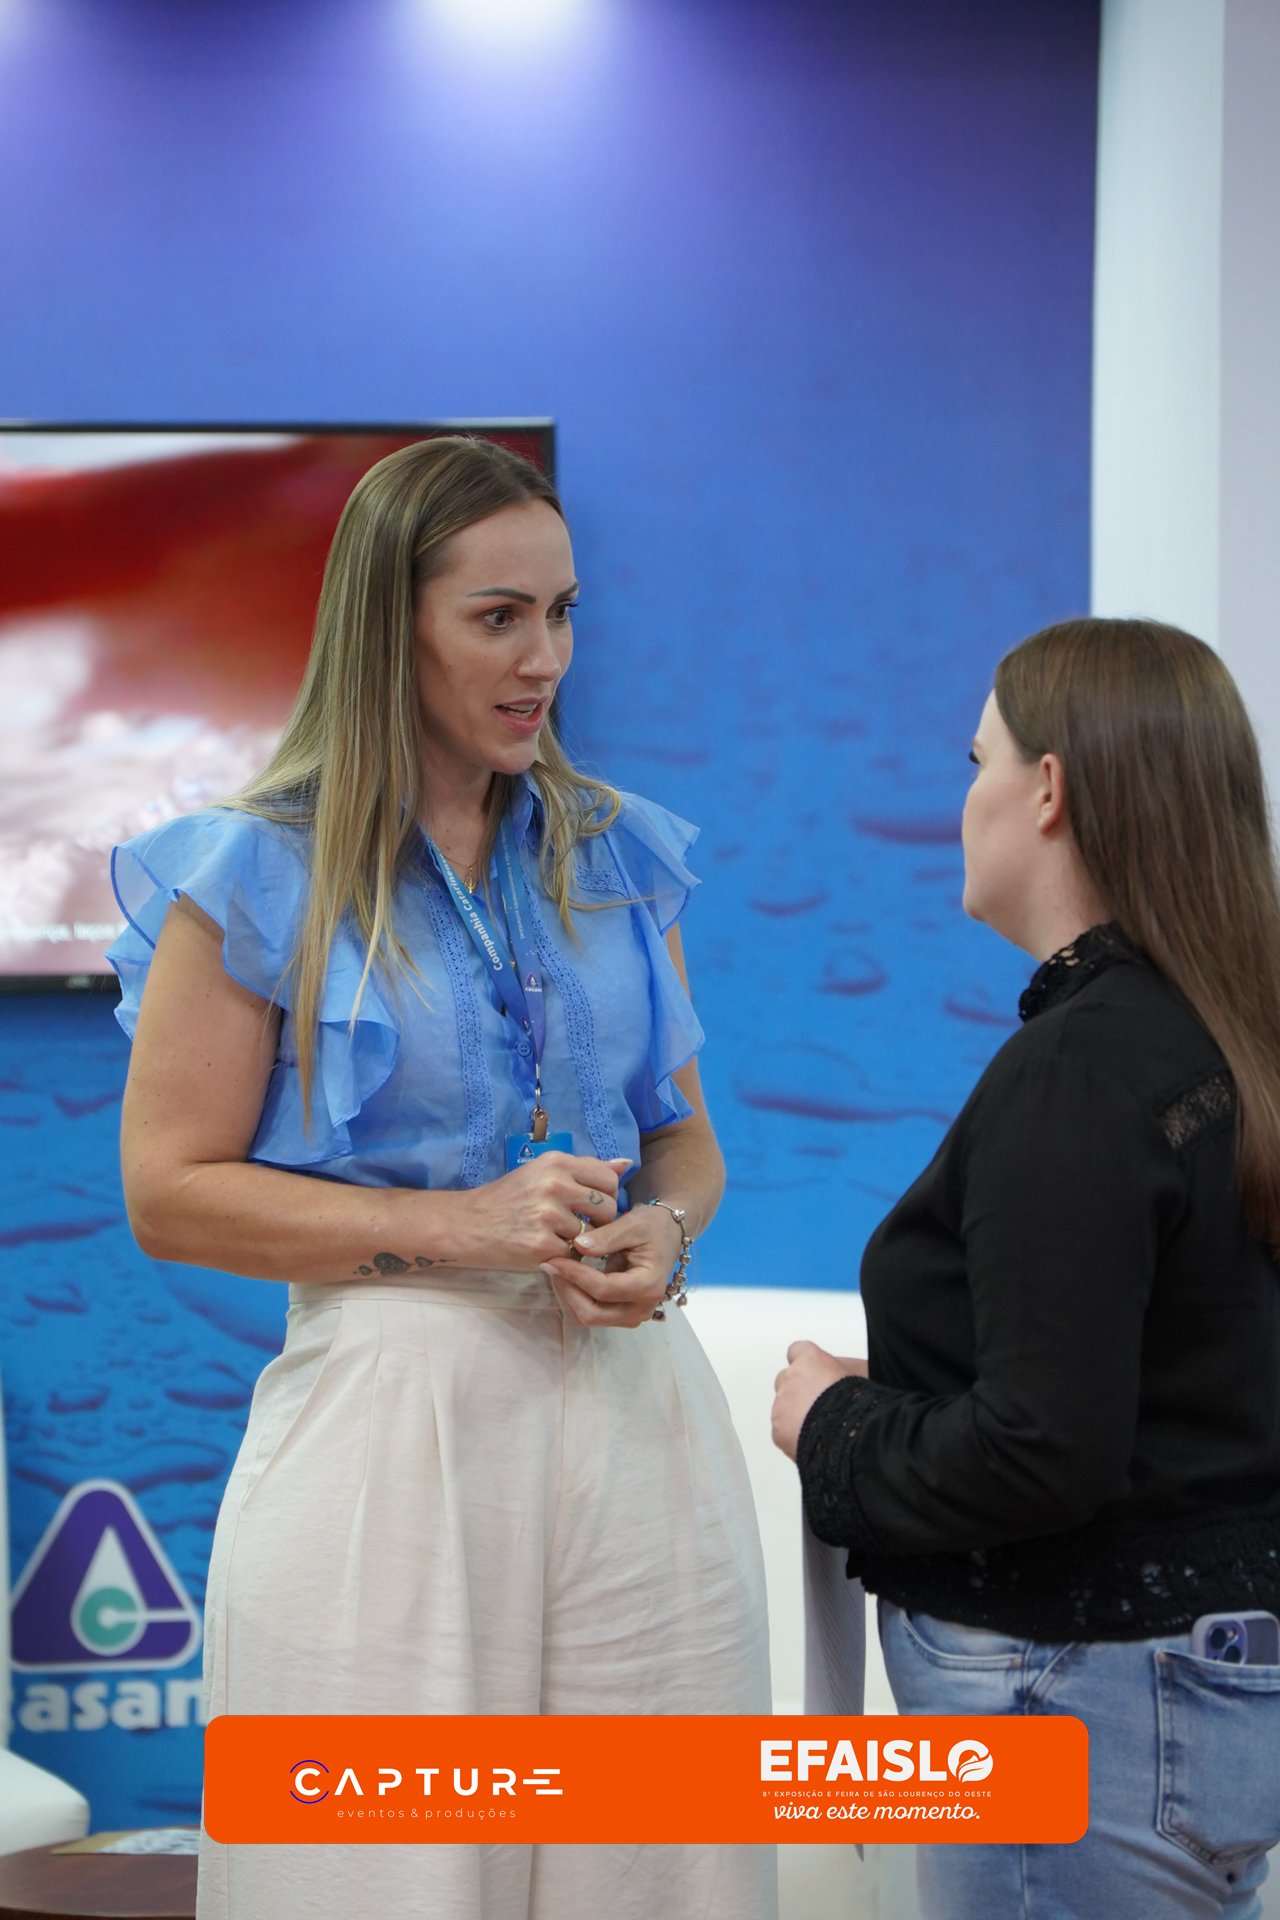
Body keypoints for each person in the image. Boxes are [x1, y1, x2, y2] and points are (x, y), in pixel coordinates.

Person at [109, 435, 775, 1920]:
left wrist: (667, 1230)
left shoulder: (614, 852)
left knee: (657, 1867)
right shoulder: (250, 870)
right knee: (382, 1872)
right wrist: (454, 1225)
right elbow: (169, 1190)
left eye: (564, 612)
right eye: (498, 618)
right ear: (386, 627)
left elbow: (682, 1137)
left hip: (637, 1418)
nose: (547, 659)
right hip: (393, 1428)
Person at [772, 617, 1280, 1919]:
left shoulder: (1083, 1070)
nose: (966, 797)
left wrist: (832, 1422)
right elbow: (1172, 1378)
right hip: (1197, 1697)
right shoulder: (1223, 1043)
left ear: (1046, 789)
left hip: (1071, 1701)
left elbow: (1043, 1453)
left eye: (976, 759)